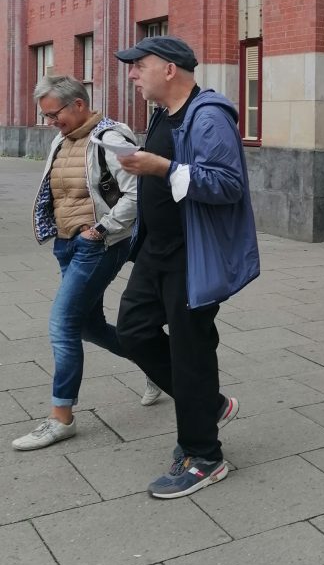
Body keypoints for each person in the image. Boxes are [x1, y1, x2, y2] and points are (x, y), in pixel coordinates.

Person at [114, 35, 260, 499]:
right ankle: (209, 404)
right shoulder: (162, 114)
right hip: (157, 249)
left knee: (190, 352)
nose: (133, 74)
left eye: (139, 66)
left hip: (191, 255)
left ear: (170, 69)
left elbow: (227, 184)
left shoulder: (209, 115)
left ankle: (204, 456)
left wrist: (162, 168)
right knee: (133, 330)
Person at [13, 75, 159, 451]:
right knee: (89, 326)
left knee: (62, 324)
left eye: (53, 114)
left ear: (78, 104)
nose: (50, 122)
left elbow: (137, 191)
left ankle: (61, 417)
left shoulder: (110, 138)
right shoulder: (64, 138)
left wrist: (102, 229)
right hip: (66, 245)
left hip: (97, 245)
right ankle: (161, 363)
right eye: (45, 116)